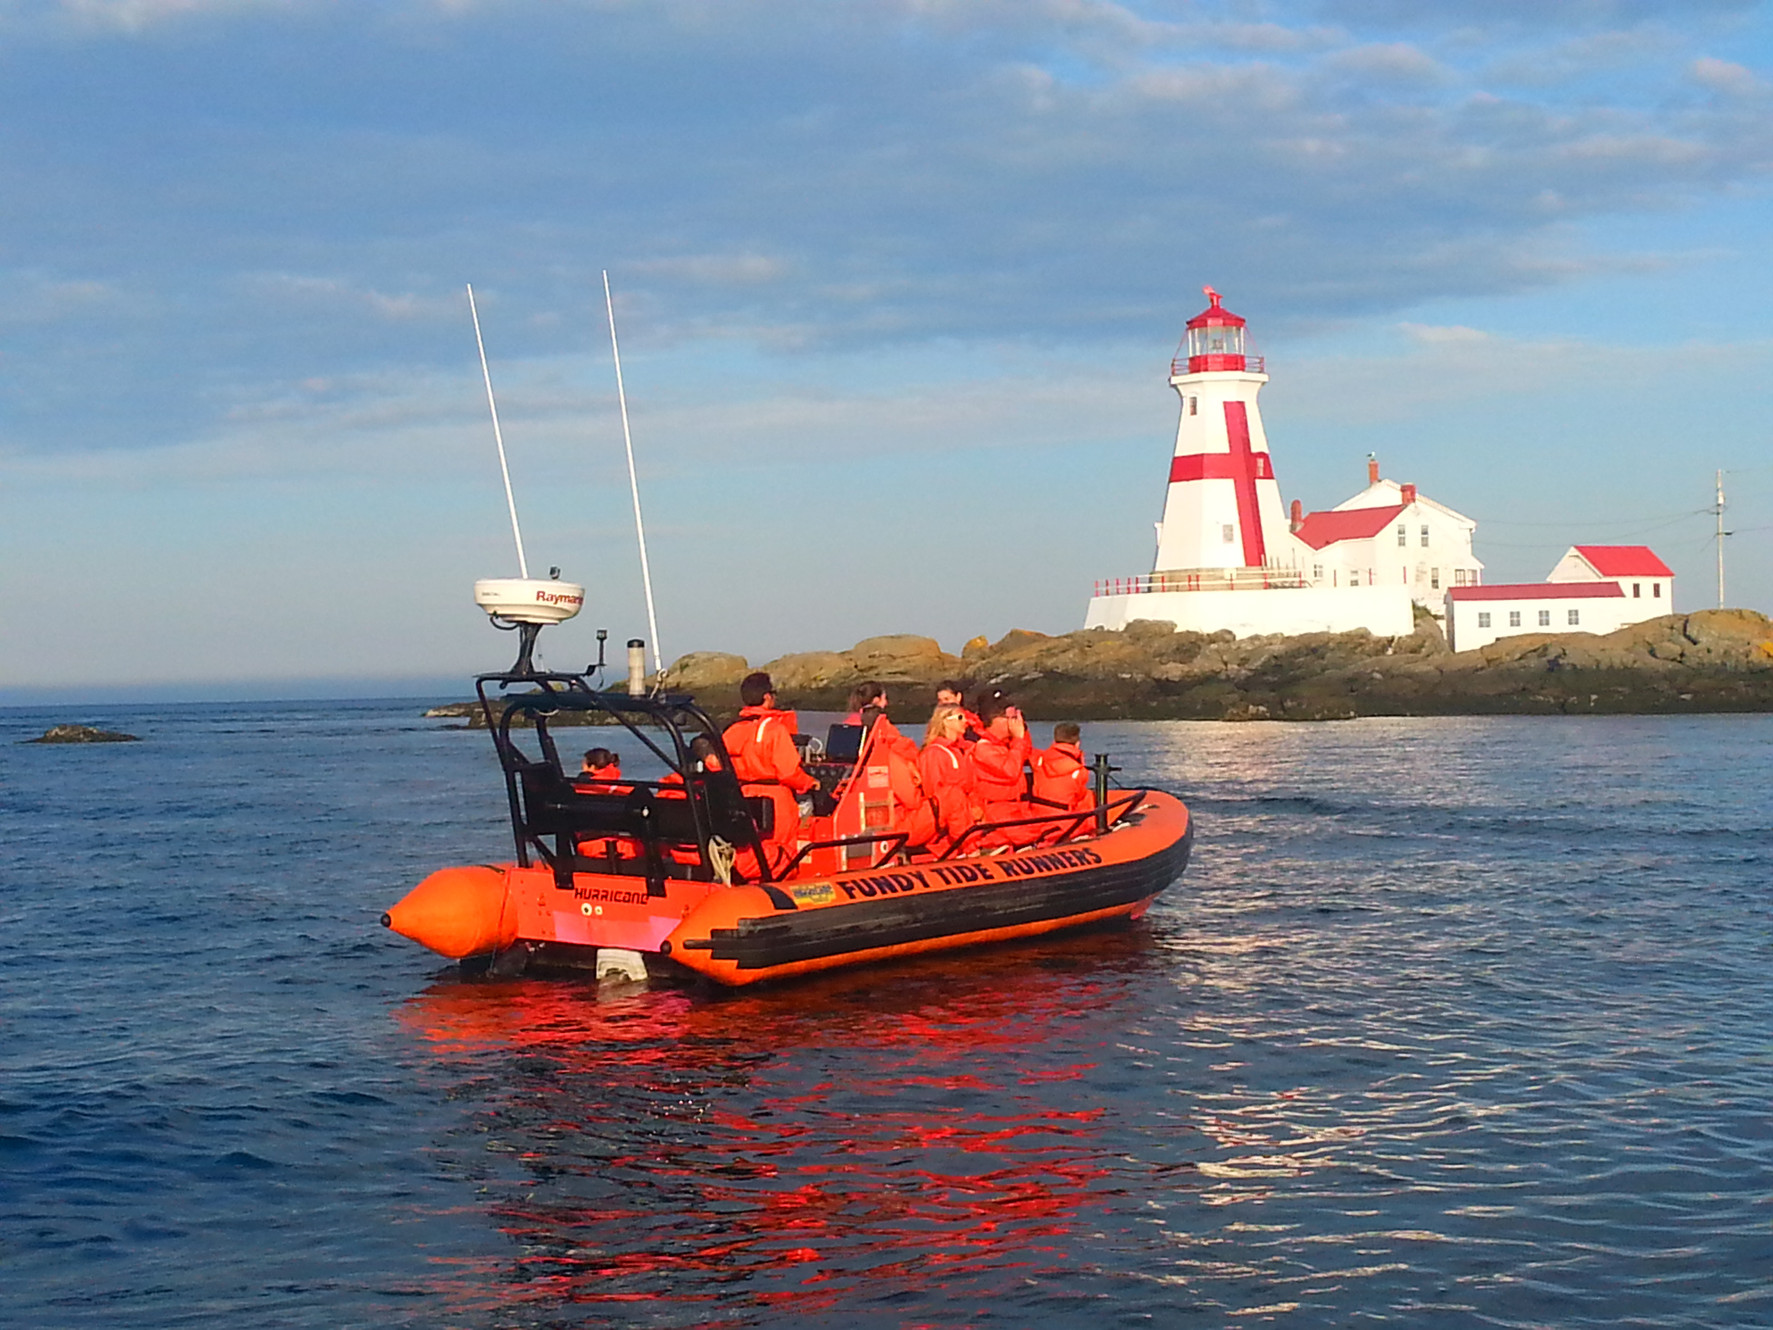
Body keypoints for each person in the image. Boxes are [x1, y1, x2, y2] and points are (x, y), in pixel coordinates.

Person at [722, 672, 821, 863]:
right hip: (776, 800)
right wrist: (812, 783)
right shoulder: (775, 729)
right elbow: (789, 773)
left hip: (741, 797)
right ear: (767, 697)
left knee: (750, 849)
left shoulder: (731, 730)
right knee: (782, 852)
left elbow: (717, 765)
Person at [971, 697, 1039, 847]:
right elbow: (1010, 771)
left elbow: (1026, 753)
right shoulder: (984, 749)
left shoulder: (1006, 746)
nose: (1016, 722)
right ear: (998, 720)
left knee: (1042, 834)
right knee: (1027, 840)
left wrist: (1022, 736)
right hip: (998, 814)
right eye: (1012, 718)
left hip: (1018, 810)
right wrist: (1019, 738)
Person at [918, 704, 977, 846]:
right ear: (945, 721)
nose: (965, 722)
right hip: (947, 821)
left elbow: (972, 787)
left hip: (966, 817)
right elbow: (936, 796)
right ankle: (968, 847)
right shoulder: (933, 753)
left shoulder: (962, 751)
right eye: (960, 717)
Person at [1031, 722, 1093, 813]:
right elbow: (1080, 796)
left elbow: (1026, 749)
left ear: (1054, 741)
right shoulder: (1080, 771)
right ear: (1077, 743)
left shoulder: (1039, 759)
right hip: (1065, 818)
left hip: (1037, 814)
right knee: (1088, 800)